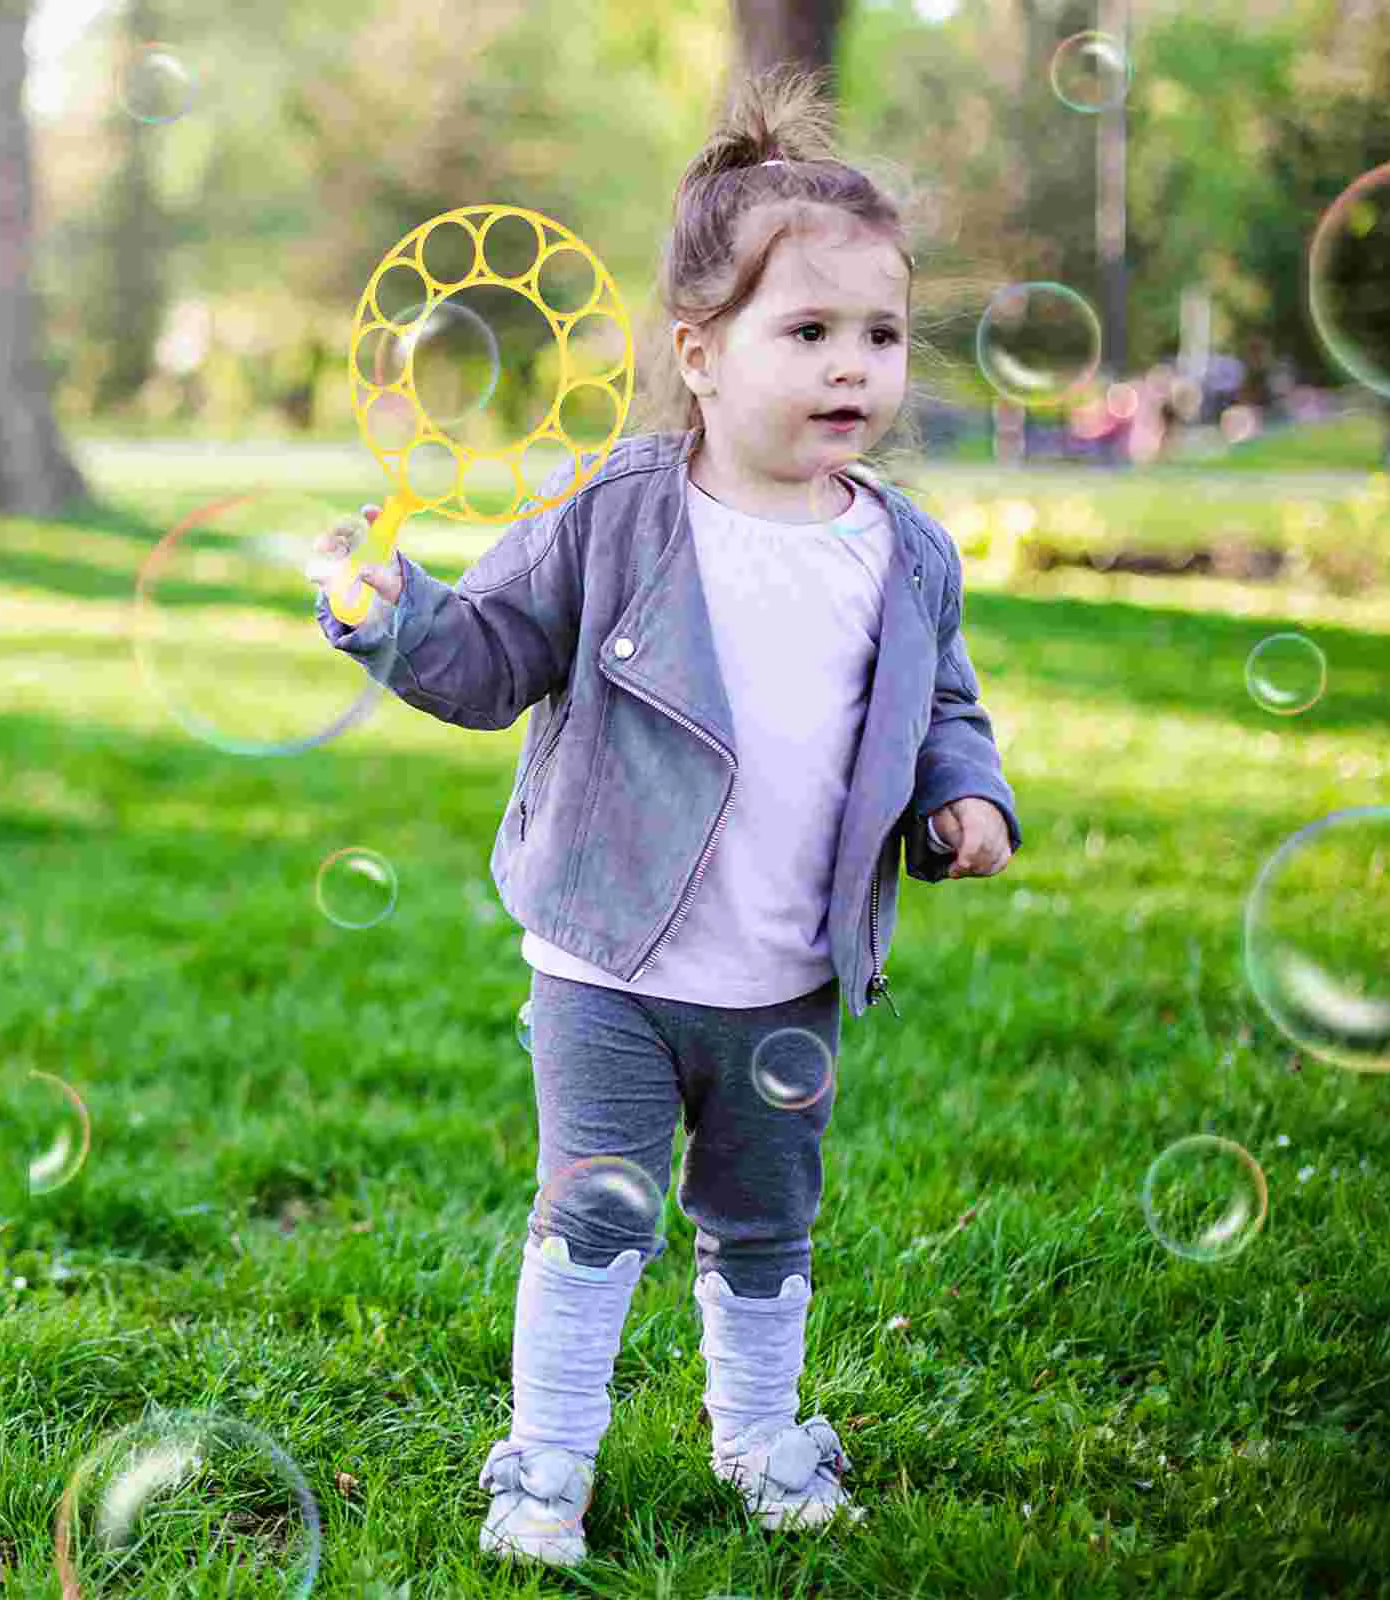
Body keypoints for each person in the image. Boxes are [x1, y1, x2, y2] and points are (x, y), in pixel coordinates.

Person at [311, 66, 1020, 1569]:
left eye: (881, 336)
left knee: (765, 1227)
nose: (855, 369)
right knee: (595, 1220)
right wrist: (397, 617)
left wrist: (965, 795)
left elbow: (941, 702)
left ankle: (758, 1435)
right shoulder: (622, 513)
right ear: (700, 354)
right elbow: (494, 660)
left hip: (787, 977)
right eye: (810, 332)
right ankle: (544, 1465)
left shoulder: (903, 550)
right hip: (610, 963)